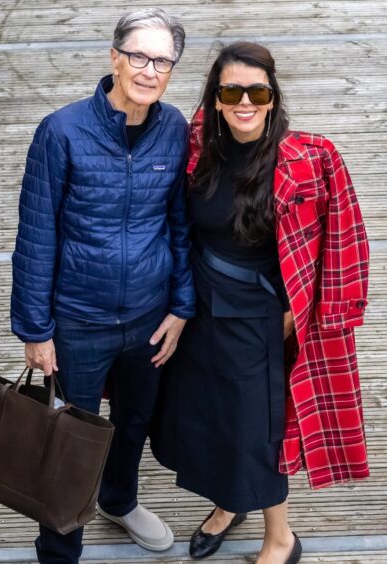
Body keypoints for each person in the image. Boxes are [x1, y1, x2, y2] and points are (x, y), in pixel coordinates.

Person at [151, 41, 369, 563]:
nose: (244, 102)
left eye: (257, 91)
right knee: (211, 416)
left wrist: (314, 314)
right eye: (232, 90)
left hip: (262, 316)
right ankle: (229, 503)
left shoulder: (311, 159)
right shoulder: (199, 143)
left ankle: (281, 540)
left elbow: (347, 242)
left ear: (272, 96)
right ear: (216, 98)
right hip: (200, 308)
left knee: (258, 430)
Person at [10, 9, 195, 563]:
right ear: (114, 56)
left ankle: (120, 499)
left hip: (148, 317)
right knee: (69, 440)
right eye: (139, 55)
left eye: (163, 60)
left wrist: (182, 306)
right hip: (78, 322)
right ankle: (60, 550)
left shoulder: (174, 129)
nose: (149, 69)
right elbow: (37, 234)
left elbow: (180, 225)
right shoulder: (61, 130)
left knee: (134, 421)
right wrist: (36, 330)